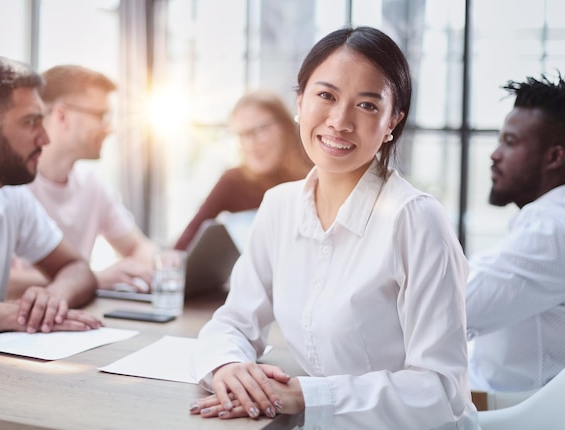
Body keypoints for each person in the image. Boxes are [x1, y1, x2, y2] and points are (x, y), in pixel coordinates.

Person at [189, 27, 478, 428]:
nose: (340, 121)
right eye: (326, 96)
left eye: (367, 105)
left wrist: (306, 395)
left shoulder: (416, 219)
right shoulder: (279, 206)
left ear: (393, 120)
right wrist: (228, 366)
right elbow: (234, 321)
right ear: (300, 101)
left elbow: (439, 392)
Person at [0, 54, 102, 340]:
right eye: (30, 122)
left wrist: (52, 298)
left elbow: (77, 268)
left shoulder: (12, 196)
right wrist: (13, 314)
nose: (45, 138)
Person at [8, 65, 160, 295]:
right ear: (62, 115)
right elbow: (3, 282)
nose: (110, 128)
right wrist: (92, 279)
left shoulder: (91, 185)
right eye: (101, 116)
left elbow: (141, 246)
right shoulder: (11, 187)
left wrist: (138, 270)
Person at [466, 73, 565, 393]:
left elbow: (459, 306)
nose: (495, 155)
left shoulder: (552, 226)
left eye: (510, 142)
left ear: (554, 157)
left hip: (519, 415)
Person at [173, 89, 313, 251]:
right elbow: (185, 243)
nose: (250, 145)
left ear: (286, 126)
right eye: (242, 135)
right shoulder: (234, 180)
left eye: (259, 130)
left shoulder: (314, 175)